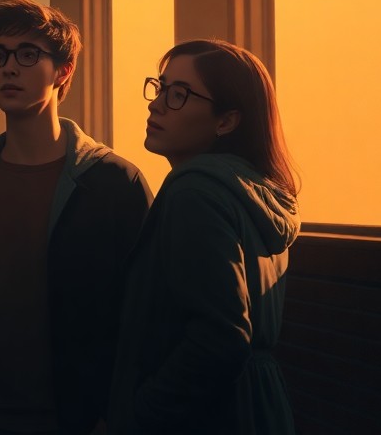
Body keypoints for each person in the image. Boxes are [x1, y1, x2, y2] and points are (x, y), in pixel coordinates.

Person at [0, 0, 153, 435]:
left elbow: (144, 316)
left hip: (79, 416)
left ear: (62, 71)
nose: (9, 67)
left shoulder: (115, 184)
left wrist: (116, 414)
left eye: (28, 55)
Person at [107, 39, 300, 434]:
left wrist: (138, 413)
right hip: (257, 407)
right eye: (160, 87)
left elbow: (220, 339)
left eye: (179, 95)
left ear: (226, 120)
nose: (156, 104)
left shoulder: (195, 192)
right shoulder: (251, 190)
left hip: (206, 416)